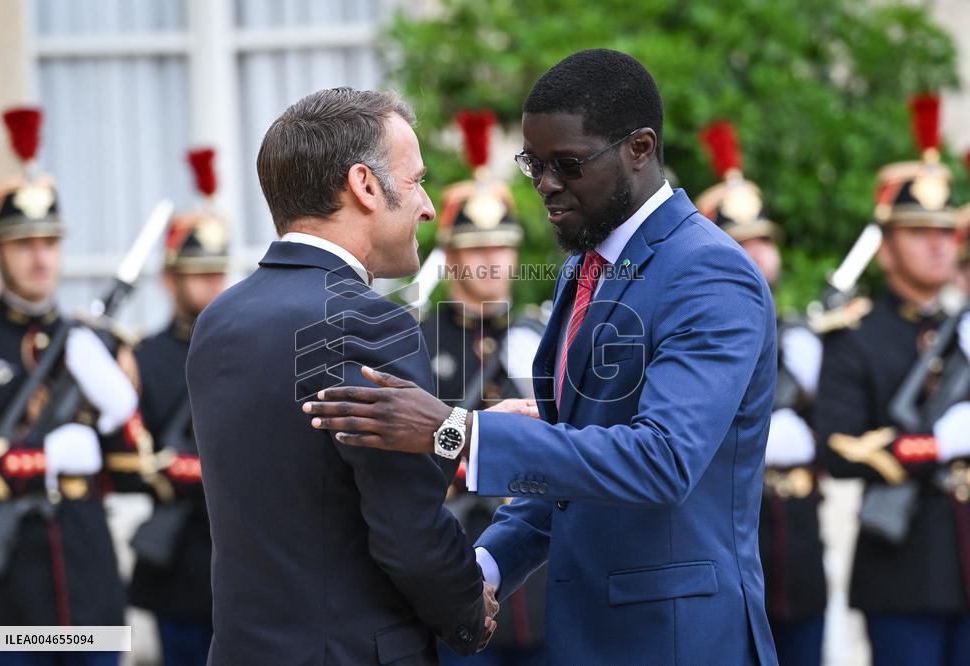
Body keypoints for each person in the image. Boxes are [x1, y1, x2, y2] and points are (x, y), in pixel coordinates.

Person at [305, 49, 779, 664]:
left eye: (568, 164)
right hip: (595, 632)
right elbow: (570, 463)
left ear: (640, 148)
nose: (546, 184)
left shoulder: (708, 272)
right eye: (535, 164)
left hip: (677, 638)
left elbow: (662, 460)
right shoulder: (585, 266)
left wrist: (456, 432)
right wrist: (484, 568)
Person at [185, 88, 504, 665]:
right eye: (416, 181)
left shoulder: (219, 318)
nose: (428, 207)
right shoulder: (369, 321)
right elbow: (407, 528)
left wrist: (468, 431)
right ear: (365, 185)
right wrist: (469, 611)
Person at [0, 108, 138, 665]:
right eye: (23, 243)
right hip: (2, 592)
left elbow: (131, 458)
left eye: (49, 241)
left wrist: (119, 404)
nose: (40, 256)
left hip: (87, 574)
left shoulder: (96, 343)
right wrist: (37, 458)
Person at [814, 94, 970, 665]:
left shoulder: (963, 328)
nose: (937, 244)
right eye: (917, 232)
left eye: (945, 232)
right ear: (885, 249)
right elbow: (836, 445)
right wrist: (935, 445)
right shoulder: (856, 336)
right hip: (906, 567)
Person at [696, 121, 827, 666]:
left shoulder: (804, 335)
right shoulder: (696, 328)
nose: (760, 253)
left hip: (796, 539)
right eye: (744, 241)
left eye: (764, 239)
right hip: (725, 534)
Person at [423, 111, 546, 666]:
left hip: (538, 564)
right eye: (476, 248)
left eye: (502, 247)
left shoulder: (541, 337)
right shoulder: (417, 344)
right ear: (449, 256)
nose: (492, 261)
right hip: (458, 561)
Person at [127, 148, 229, 665]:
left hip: (241, 562)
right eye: (197, 274)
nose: (213, 284)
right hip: (181, 563)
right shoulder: (143, 357)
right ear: (170, 280)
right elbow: (131, 459)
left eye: (218, 272)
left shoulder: (244, 347)